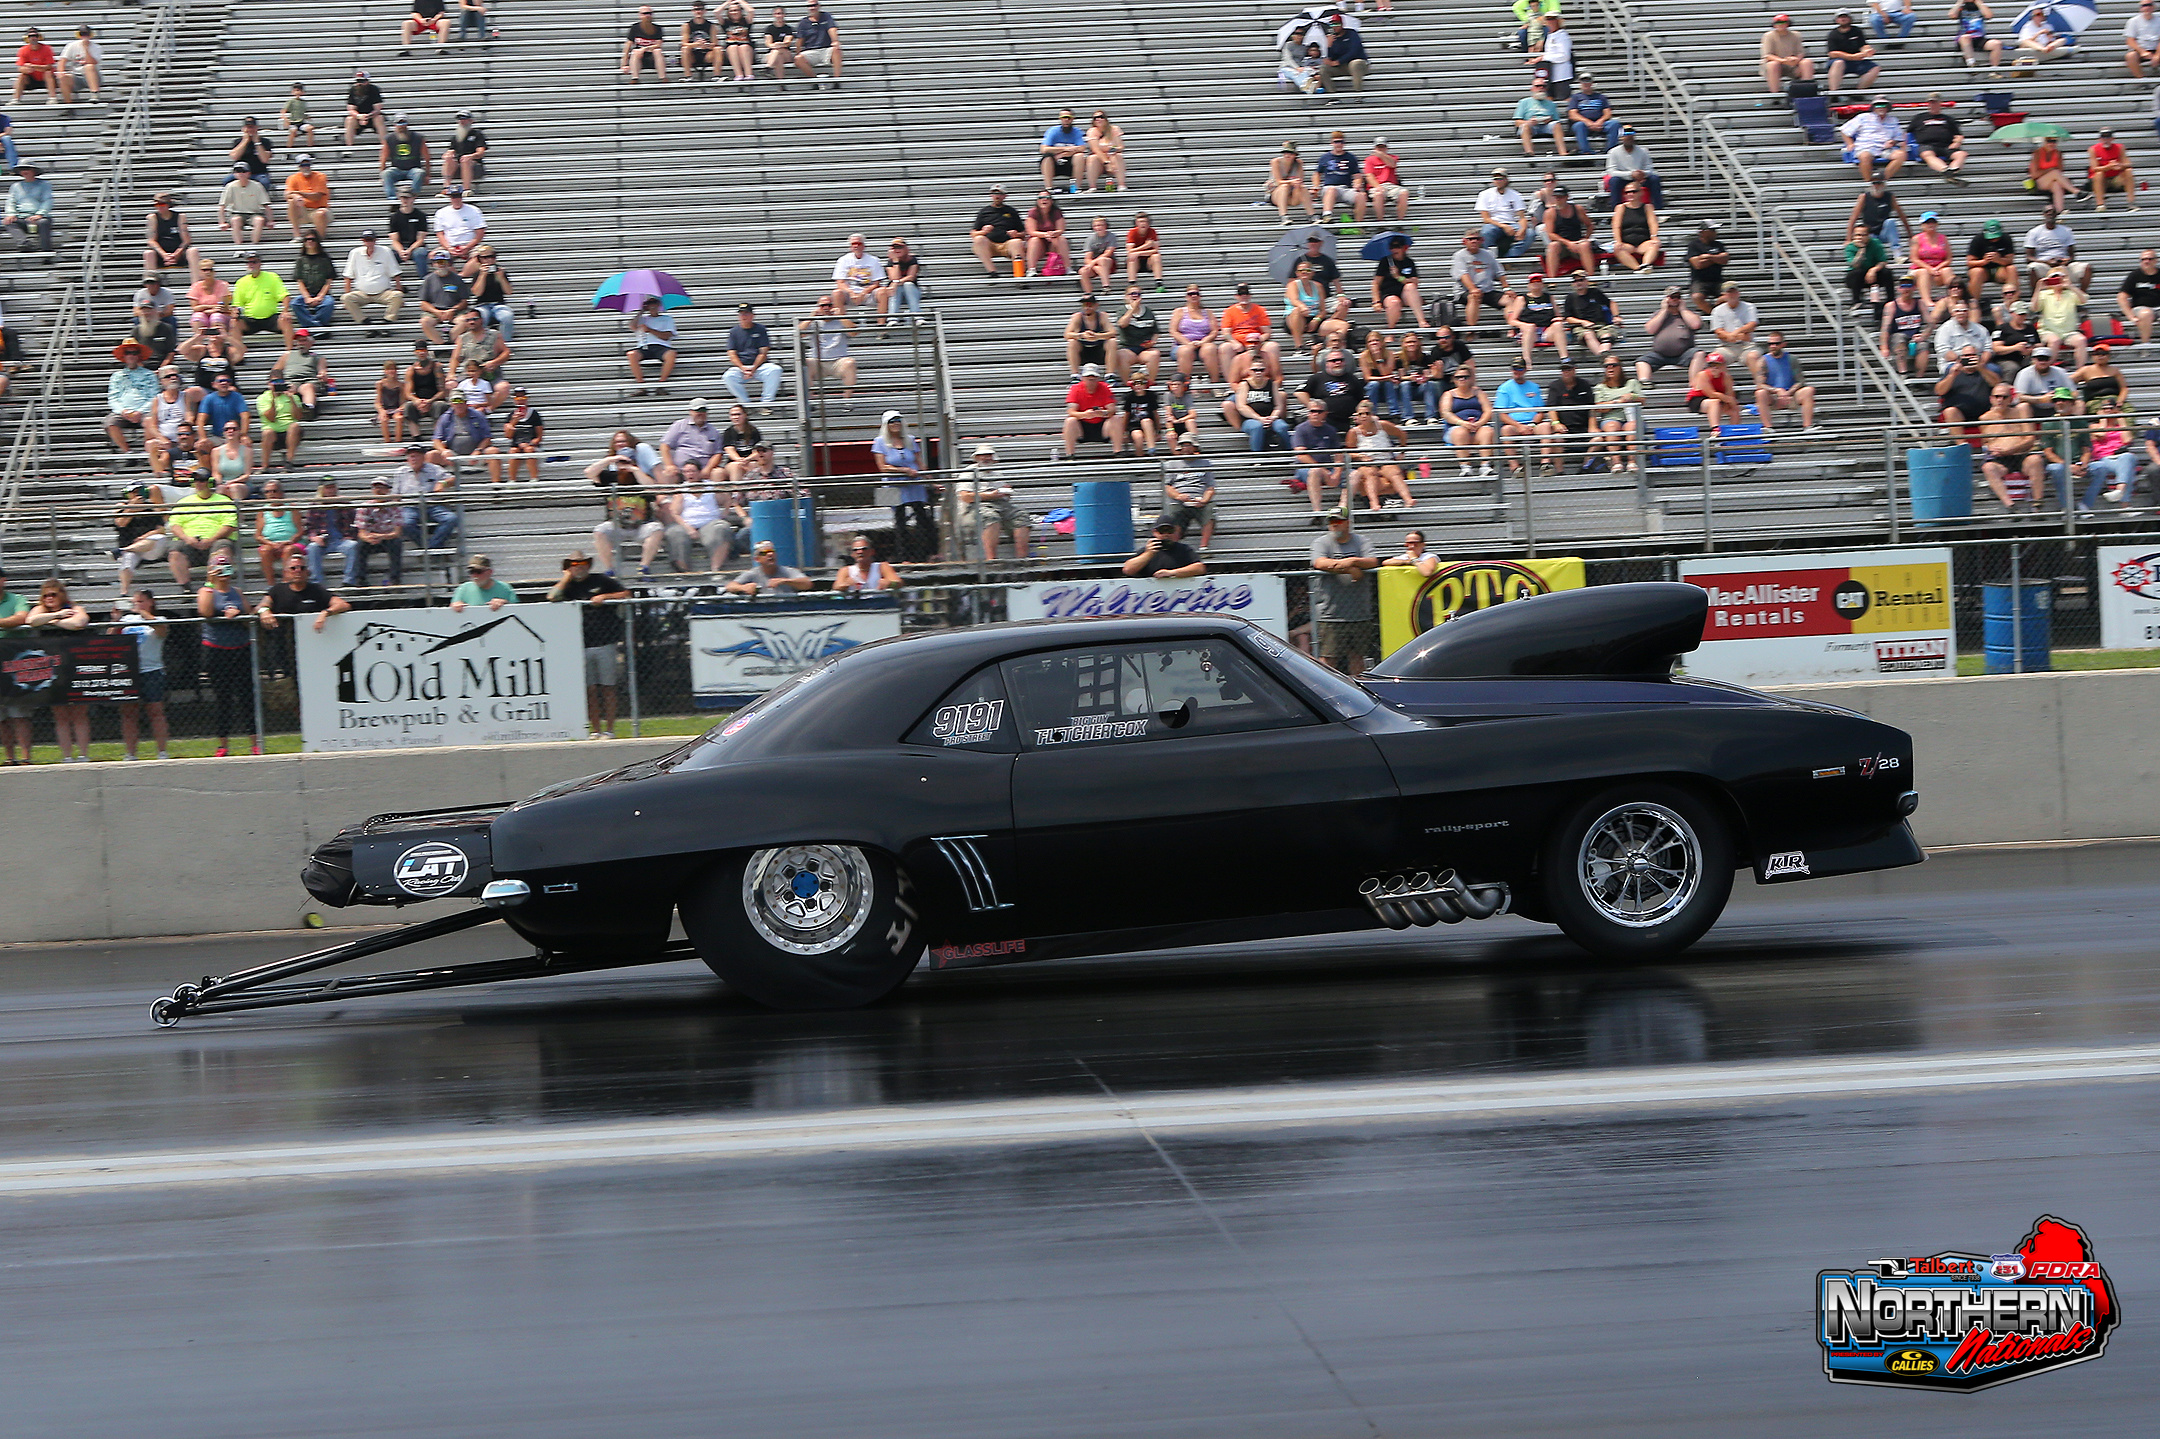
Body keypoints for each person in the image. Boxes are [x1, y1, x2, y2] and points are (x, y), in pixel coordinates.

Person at [550, 556, 632, 738]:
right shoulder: (568, 586)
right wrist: (566, 577)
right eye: (574, 565)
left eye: (583, 564)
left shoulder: (601, 580)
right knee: (590, 690)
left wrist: (605, 596)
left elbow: (626, 594)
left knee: (608, 687)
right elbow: (552, 597)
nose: (579, 567)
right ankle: (595, 730)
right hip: (581, 646)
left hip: (605, 643)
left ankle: (609, 730)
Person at [194, 558, 258, 756]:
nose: (223, 572)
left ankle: (255, 743)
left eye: (227, 567)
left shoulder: (237, 592)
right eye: (219, 568)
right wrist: (210, 582)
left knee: (247, 697)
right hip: (217, 650)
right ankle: (223, 745)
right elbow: (205, 612)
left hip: (241, 648)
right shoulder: (206, 591)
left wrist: (239, 614)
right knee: (223, 698)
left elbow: (249, 620)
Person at [1309, 509, 1379, 675]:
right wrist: (1350, 569)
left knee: (1357, 658)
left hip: (1359, 614)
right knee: (1328, 659)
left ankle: (1356, 687)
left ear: (1348, 523)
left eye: (1338, 521)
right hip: (1331, 614)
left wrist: (1351, 561)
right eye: (1331, 521)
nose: (1334, 525)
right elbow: (1319, 563)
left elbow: (1372, 561)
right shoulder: (1321, 543)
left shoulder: (1361, 541)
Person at [113, 590, 171, 762]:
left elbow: (161, 631)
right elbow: (110, 638)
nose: (136, 604)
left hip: (152, 671)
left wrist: (143, 613)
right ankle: (130, 753)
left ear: (150, 602)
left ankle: (162, 752)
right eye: (135, 601)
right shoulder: (127, 620)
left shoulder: (159, 619)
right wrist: (115, 620)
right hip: (128, 671)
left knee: (156, 711)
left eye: (141, 601)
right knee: (128, 713)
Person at [872, 410, 937, 561]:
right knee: (899, 521)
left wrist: (932, 482)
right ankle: (903, 557)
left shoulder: (910, 440)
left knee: (923, 519)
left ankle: (926, 554)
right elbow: (882, 467)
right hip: (893, 485)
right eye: (892, 421)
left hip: (913, 484)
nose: (895, 423)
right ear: (886, 424)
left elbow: (920, 464)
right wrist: (904, 470)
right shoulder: (879, 442)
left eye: (898, 420)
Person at [257, 551, 350, 648]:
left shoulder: (317, 590)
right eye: (293, 568)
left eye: (302, 568)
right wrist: (264, 612)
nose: (298, 571)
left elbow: (343, 605)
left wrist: (325, 613)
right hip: (282, 643)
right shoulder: (277, 590)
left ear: (307, 572)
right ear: (286, 573)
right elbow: (261, 606)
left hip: (313, 640)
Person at [956, 444, 1029, 561]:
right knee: (991, 517)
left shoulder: (997, 473)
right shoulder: (968, 472)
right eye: (983, 455)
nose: (986, 458)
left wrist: (1006, 492)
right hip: (975, 506)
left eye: (989, 455)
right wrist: (989, 495)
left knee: (1021, 516)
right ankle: (991, 560)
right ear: (976, 458)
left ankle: (1023, 559)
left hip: (999, 504)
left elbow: (1005, 497)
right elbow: (965, 497)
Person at [1345, 402, 1414, 509]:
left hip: (1386, 460)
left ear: (1372, 414)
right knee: (1370, 474)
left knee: (1395, 473)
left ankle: (1408, 499)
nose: (1364, 416)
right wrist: (1360, 456)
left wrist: (1402, 451)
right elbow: (1349, 452)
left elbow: (1402, 434)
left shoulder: (1383, 425)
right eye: (1360, 414)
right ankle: (1374, 502)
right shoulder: (1354, 432)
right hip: (1367, 462)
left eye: (1367, 413)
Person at [1635, 286, 1701, 386]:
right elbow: (1650, 329)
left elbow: (1696, 324)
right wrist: (1664, 310)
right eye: (1672, 297)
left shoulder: (1689, 314)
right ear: (1666, 298)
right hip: (1660, 355)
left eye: (1677, 297)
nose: (1675, 299)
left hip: (1684, 354)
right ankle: (1645, 382)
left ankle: (1694, 384)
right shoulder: (1658, 314)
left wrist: (1683, 310)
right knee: (1641, 361)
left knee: (1699, 354)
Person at [346, 478, 406, 586]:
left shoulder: (395, 507)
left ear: (387, 490)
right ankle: (360, 580)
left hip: (388, 538)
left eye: (381, 487)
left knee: (397, 543)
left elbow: (397, 532)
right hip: (371, 539)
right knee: (359, 545)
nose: (378, 490)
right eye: (375, 487)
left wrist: (381, 536)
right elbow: (361, 533)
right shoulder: (365, 506)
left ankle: (395, 579)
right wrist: (369, 538)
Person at [1442, 367, 1497, 478]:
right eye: (1458, 377)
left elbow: (1488, 410)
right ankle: (1465, 466)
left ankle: (1485, 465)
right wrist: (1462, 423)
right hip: (1457, 428)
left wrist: (1479, 423)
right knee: (1460, 432)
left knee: (1487, 431)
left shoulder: (1479, 393)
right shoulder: (1449, 394)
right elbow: (1446, 413)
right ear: (1454, 379)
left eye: (1465, 377)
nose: (1462, 379)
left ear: (1471, 378)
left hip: (1478, 426)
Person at [799, 298, 858, 400]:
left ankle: (847, 400)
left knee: (850, 363)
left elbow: (854, 332)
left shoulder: (841, 321)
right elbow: (799, 333)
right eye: (823, 306)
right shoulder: (813, 322)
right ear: (818, 307)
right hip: (817, 361)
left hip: (838, 361)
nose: (826, 308)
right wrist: (810, 317)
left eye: (829, 305)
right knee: (805, 363)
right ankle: (809, 401)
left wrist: (840, 316)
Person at [1292, 399, 1345, 510]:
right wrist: (1323, 470)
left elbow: (1338, 454)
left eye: (1319, 411)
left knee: (1354, 474)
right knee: (1315, 471)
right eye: (1312, 411)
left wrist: (1337, 472)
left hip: (1328, 467)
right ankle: (1317, 511)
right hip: (1306, 468)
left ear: (1325, 413)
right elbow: (1300, 455)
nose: (1315, 414)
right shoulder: (1300, 429)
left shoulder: (1331, 430)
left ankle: (1342, 508)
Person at [2023, 207, 2090, 292]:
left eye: (2053, 212)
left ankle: (2081, 295)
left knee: (2087, 268)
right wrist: (2046, 262)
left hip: (2064, 265)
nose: (2050, 214)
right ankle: (2036, 295)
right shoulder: (2034, 232)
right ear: (2043, 214)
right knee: (2033, 268)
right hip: (2044, 265)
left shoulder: (2066, 230)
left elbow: (2072, 254)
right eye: (2047, 211)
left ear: (2056, 215)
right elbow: (2029, 257)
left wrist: (2066, 261)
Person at [1451, 231, 1508, 330]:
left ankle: (1512, 328)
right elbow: (1463, 274)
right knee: (1474, 297)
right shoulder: (1459, 255)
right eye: (1470, 239)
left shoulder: (1489, 254)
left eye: (1477, 239)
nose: (1474, 241)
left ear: (1482, 240)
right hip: (1465, 291)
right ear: (1464, 241)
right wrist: (1473, 289)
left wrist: (1507, 288)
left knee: (1509, 299)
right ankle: (1471, 330)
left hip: (1487, 291)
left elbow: (1499, 273)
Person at [1842, 97, 1907, 183]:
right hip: (1866, 147)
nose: (1881, 107)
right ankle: (1869, 182)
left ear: (1888, 108)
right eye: (1878, 105)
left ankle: (1881, 180)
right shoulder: (1863, 117)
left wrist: (1893, 142)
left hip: (1885, 148)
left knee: (1901, 155)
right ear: (1873, 107)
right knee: (1865, 156)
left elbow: (1899, 137)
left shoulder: (1893, 120)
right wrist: (1850, 144)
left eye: (1883, 105)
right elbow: (1844, 131)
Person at [300, 476, 351, 584]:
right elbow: (309, 527)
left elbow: (353, 523)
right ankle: (316, 582)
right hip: (323, 541)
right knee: (312, 548)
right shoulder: (314, 505)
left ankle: (349, 580)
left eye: (333, 487)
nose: (331, 490)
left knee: (353, 546)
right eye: (328, 487)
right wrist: (314, 537)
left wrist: (349, 536)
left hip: (341, 540)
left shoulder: (345, 503)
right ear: (322, 489)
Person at [624, 295, 679, 396]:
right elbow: (632, 326)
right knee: (631, 355)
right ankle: (641, 386)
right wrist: (641, 311)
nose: (652, 305)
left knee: (671, 354)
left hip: (661, 346)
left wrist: (650, 330)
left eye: (654, 302)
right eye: (649, 303)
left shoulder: (667, 319)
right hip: (644, 346)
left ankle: (661, 384)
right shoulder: (642, 319)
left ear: (659, 304)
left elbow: (666, 336)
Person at [252, 479, 304, 583]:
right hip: (271, 544)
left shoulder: (292, 508)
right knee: (264, 551)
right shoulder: (262, 511)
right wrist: (272, 544)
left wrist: (288, 542)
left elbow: (300, 531)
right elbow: (258, 536)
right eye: (267, 492)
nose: (271, 494)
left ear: (281, 492)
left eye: (274, 491)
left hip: (292, 543)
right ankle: (271, 584)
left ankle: (286, 583)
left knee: (288, 550)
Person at [1911, 94, 1969, 183]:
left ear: (1940, 103)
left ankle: (1951, 172)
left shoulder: (1948, 119)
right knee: (1927, 154)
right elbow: (1908, 132)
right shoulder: (1919, 118)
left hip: (1946, 145)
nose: (1933, 105)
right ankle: (1946, 171)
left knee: (1962, 154)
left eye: (1935, 102)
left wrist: (1957, 142)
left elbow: (1958, 135)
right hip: (1927, 145)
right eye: (1931, 103)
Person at [1122, 518, 1205, 580]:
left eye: (1169, 531)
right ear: (1155, 532)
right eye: (1162, 531)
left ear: (1175, 531)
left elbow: (1199, 568)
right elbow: (1128, 570)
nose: (1166, 534)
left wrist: (1172, 573)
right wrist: (1148, 554)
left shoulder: (1184, 549)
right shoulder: (1146, 551)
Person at [969, 185, 1025, 276]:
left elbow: (1023, 233)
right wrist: (983, 232)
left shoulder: (1012, 211)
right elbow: (973, 233)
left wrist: (1016, 234)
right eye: (994, 193)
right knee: (979, 239)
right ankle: (992, 272)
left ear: (1005, 196)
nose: (997, 196)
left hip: (1007, 244)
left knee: (1017, 242)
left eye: (1000, 193)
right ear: (991, 195)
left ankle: (1019, 274)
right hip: (990, 244)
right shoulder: (984, 211)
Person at [142, 193, 200, 281]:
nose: (159, 207)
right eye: (157, 205)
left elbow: (186, 240)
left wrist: (176, 254)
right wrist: (164, 255)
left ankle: (196, 284)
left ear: (168, 205)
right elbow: (151, 241)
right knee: (148, 253)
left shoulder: (180, 217)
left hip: (179, 252)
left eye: (162, 204)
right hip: (161, 253)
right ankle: (151, 283)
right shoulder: (153, 218)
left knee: (193, 251)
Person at [1370, 234, 1423, 328]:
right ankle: (1391, 330)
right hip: (1389, 294)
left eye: (1397, 246)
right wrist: (1376, 301)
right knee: (1394, 302)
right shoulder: (1385, 262)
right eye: (1391, 247)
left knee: (1410, 286)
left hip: (1405, 295)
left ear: (1404, 248)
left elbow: (1415, 282)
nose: (1394, 250)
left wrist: (1398, 277)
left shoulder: (1409, 262)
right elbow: (1376, 283)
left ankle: (1421, 321)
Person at [215, 163, 272, 249]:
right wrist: (222, 222)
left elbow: (266, 205)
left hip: (254, 213)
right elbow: (222, 205)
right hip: (237, 213)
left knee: (259, 220)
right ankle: (239, 246)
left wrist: (270, 220)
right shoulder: (230, 186)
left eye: (243, 171)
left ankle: (254, 245)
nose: (241, 174)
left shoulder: (257, 185)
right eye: (238, 171)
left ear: (249, 173)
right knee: (235, 220)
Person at [726, 540, 813, 594]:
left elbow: (807, 584)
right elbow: (730, 586)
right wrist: (743, 587)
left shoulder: (788, 571)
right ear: (757, 559)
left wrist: (785, 581)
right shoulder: (752, 573)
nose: (770, 555)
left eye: (772, 552)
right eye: (764, 553)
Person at [1825, 9, 1882, 91]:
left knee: (1875, 68)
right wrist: (1851, 56)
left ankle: (1859, 91)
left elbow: (1863, 45)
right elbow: (1832, 53)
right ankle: (1834, 92)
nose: (1843, 19)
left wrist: (1867, 50)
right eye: (1840, 17)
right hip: (1841, 60)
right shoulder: (1833, 34)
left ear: (1850, 18)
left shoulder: (1857, 31)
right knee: (1838, 63)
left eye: (1845, 17)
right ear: (1836, 20)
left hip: (1856, 61)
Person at [1761, 14, 1816, 97]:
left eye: (1783, 22)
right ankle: (1775, 94)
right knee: (1773, 64)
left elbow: (1800, 52)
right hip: (1777, 65)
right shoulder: (1768, 36)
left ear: (1788, 24)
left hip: (1792, 65)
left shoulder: (1796, 35)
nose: (1780, 25)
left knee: (1807, 62)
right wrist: (1783, 61)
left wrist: (1796, 59)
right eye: (1778, 23)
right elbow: (1767, 55)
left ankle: (1807, 91)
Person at [1513, 79, 1570, 158]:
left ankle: (1563, 152)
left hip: (1546, 125)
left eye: (1543, 86)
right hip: (1531, 126)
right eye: (1538, 86)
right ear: (1532, 88)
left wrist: (1549, 120)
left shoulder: (1551, 103)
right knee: (1525, 126)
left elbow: (1556, 120)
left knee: (1557, 125)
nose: (1541, 88)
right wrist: (1529, 122)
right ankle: (1529, 152)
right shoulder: (1524, 102)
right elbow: (1517, 122)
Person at [2087, 129, 2140, 214]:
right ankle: (2100, 205)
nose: (2106, 140)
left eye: (2108, 138)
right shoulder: (2093, 149)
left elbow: (2128, 163)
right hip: (2102, 179)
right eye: (2103, 138)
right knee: (2099, 174)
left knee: (2128, 171)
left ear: (2112, 138)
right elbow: (2094, 168)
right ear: (2100, 139)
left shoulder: (2119, 147)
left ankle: (2131, 203)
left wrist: (2119, 165)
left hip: (2116, 178)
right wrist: (2108, 167)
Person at [792, 0, 842, 87]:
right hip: (811, 51)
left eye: (814, 5)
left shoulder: (826, 16)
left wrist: (835, 41)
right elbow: (800, 40)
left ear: (819, 6)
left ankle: (837, 81)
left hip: (826, 49)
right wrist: (798, 52)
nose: (812, 8)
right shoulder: (803, 22)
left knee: (836, 49)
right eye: (810, 6)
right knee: (798, 59)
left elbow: (832, 29)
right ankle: (815, 81)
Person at [1682, 222, 1731, 312]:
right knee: (1697, 297)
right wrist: (1716, 258)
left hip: (1717, 280)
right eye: (1712, 230)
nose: (1715, 232)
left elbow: (1725, 259)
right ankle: (1712, 313)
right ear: (1703, 232)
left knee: (1729, 296)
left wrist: (1708, 257)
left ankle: (1715, 311)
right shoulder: (1694, 245)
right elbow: (1698, 265)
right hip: (1700, 281)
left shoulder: (1718, 245)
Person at [1567, 76, 1622, 155]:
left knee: (1614, 124)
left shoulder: (1601, 97)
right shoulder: (1576, 97)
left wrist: (1600, 121)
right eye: (1583, 82)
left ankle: (1610, 150)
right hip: (1583, 124)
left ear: (1592, 83)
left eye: (1588, 81)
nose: (1586, 84)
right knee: (1579, 125)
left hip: (1600, 123)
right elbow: (1572, 114)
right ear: (1580, 83)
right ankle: (1586, 151)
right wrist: (1587, 122)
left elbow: (1608, 113)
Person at [1064, 294, 1115, 380]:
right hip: (1083, 351)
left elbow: (1113, 332)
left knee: (1112, 342)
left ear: (1096, 305)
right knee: (1072, 342)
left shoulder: (1102, 316)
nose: (1087, 308)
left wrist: (1097, 336)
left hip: (1099, 350)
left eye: (1090, 305)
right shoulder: (1078, 317)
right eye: (1084, 305)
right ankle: (1075, 375)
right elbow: (1067, 334)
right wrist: (1081, 335)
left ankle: (1110, 374)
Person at [1843, 220, 1892, 308]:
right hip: (1857, 277)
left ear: (1868, 235)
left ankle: (1891, 300)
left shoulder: (1875, 243)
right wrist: (1861, 250)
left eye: (1863, 235)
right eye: (1858, 235)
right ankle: (1856, 301)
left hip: (1873, 274)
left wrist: (1873, 270)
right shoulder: (1850, 247)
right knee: (1857, 273)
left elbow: (1883, 261)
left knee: (1887, 272)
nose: (1860, 237)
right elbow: (1854, 265)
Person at [1023, 188, 1070, 276]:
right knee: (1034, 240)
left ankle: (1067, 267)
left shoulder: (1056, 212)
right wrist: (1046, 235)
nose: (1044, 200)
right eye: (1041, 198)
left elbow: (1061, 229)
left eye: (1047, 198)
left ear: (1051, 201)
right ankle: (1031, 269)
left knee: (1061, 239)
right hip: (1039, 244)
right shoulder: (1033, 212)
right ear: (1037, 201)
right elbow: (1031, 231)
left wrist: (1054, 234)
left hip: (1053, 241)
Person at [1362, 137, 1409, 226]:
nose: (1381, 149)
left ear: (1387, 148)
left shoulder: (1392, 157)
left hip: (1391, 186)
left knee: (1404, 193)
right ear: (1375, 148)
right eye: (1379, 147)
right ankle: (1380, 222)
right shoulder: (1369, 160)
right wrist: (1378, 187)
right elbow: (1369, 176)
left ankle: (1400, 222)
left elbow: (1392, 164)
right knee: (1378, 194)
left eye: (1383, 147)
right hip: (1376, 186)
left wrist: (1382, 156)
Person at [1268, 140, 1315, 227]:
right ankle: (1283, 216)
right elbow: (1278, 181)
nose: (1287, 155)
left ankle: (1312, 215)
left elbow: (1300, 180)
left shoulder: (1299, 163)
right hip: (1276, 194)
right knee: (1284, 186)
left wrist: (1296, 184)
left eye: (1290, 153)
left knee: (1302, 188)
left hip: (1292, 195)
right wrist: (1291, 182)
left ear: (1295, 155)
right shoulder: (1276, 162)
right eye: (1285, 153)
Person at [833, 535, 904, 592]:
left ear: (872, 551)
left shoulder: (882, 566)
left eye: (864, 549)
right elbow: (837, 586)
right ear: (852, 554)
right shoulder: (846, 570)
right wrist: (846, 584)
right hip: (856, 603)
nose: (860, 552)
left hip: (879, 602)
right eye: (855, 550)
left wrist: (890, 583)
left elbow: (899, 583)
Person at [431, 186, 486, 260]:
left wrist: (468, 247)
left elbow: (480, 233)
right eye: (454, 197)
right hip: (449, 246)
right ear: (450, 198)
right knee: (435, 256)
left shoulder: (474, 210)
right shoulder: (441, 212)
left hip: (471, 246)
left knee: (482, 256)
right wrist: (449, 248)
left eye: (458, 196)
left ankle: (467, 268)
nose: (456, 199)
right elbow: (440, 234)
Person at [1041, 108, 1088, 193]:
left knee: (1080, 156)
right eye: (1063, 117)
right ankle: (1049, 188)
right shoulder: (1053, 131)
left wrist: (1063, 154)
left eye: (1068, 118)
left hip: (1070, 163)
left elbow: (1082, 148)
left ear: (1072, 119)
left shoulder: (1077, 131)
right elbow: (1044, 149)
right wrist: (1066, 149)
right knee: (1047, 158)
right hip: (1054, 162)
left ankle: (1076, 187)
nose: (1066, 120)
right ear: (1060, 119)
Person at [443, 111, 489, 195]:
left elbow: (481, 152)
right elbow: (451, 150)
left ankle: (466, 188)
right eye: (460, 119)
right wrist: (448, 155)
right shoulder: (456, 137)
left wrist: (471, 156)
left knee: (465, 160)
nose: (462, 121)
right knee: (449, 160)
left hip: (475, 166)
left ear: (471, 120)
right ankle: (446, 187)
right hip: (460, 166)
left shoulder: (477, 135)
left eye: (464, 119)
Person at [1322, 16, 1370, 94]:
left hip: (1358, 64)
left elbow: (1354, 50)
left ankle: (1358, 94)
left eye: (1337, 24)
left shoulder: (1351, 33)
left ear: (1342, 24)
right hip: (1343, 66)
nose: (1334, 27)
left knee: (1355, 63)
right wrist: (1329, 46)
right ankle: (1332, 95)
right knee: (1323, 68)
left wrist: (1339, 61)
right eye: (1332, 25)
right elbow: (1331, 57)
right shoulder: (1332, 38)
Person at [622, 5, 670, 82]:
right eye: (645, 13)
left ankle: (663, 78)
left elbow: (658, 44)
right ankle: (634, 78)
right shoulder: (635, 28)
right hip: (639, 58)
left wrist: (644, 48)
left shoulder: (657, 28)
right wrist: (624, 64)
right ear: (640, 15)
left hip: (652, 57)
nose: (647, 16)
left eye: (649, 13)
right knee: (635, 52)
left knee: (657, 51)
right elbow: (628, 45)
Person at [1084, 109, 1128, 193]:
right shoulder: (1092, 131)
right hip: (1100, 160)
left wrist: (1114, 149)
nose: (1098, 119)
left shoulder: (1114, 129)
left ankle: (1121, 184)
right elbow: (1095, 149)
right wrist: (1107, 163)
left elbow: (1120, 146)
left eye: (1101, 117)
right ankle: (1092, 186)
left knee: (1118, 156)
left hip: (1112, 157)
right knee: (1092, 158)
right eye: (1095, 118)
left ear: (1106, 119)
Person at [343, 69, 388, 150]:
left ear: (367, 81)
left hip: (372, 116)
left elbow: (378, 108)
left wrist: (367, 116)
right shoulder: (353, 90)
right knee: (349, 120)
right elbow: (351, 109)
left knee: (379, 118)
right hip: (358, 118)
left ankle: (385, 146)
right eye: (358, 81)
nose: (360, 84)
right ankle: (348, 148)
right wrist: (359, 116)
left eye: (362, 81)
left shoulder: (374, 89)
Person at [10, 27, 56, 106]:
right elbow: (20, 68)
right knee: (21, 76)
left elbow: (49, 67)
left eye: (35, 36)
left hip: (45, 79)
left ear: (39, 37)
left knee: (48, 73)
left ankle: (53, 98)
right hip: (32, 79)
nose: (33, 38)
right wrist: (26, 69)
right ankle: (15, 99)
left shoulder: (47, 49)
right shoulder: (23, 50)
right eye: (31, 36)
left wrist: (33, 66)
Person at [1125, 210, 1163, 287]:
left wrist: (1138, 252)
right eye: (1140, 221)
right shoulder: (1132, 232)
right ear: (1136, 223)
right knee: (1132, 257)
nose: (1143, 224)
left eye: (1145, 221)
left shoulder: (1152, 231)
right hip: (1137, 261)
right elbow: (1130, 251)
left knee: (1156, 256)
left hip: (1148, 261)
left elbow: (1156, 250)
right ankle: (1132, 284)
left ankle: (1159, 283)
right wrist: (1146, 246)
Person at [763, 6, 799, 81]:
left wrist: (778, 44)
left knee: (778, 51)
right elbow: (768, 44)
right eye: (777, 14)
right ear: (774, 15)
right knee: (778, 56)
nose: (779, 16)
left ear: (784, 15)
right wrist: (777, 45)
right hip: (772, 54)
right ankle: (781, 82)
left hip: (786, 53)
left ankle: (768, 67)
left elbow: (787, 43)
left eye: (781, 13)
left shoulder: (788, 29)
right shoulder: (769, 29)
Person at [2130, 0, 2160, 75]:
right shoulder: (2133, 21)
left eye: (2149, 5)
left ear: (2153, 7)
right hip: (2140, 50)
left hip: (2156, 49)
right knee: (2131, 56)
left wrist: (2157, 55)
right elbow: (2130, 40)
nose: (2147, 7)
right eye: (2144, 5)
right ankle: (2140, 79)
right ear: (2141, 8)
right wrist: (2142, 52)